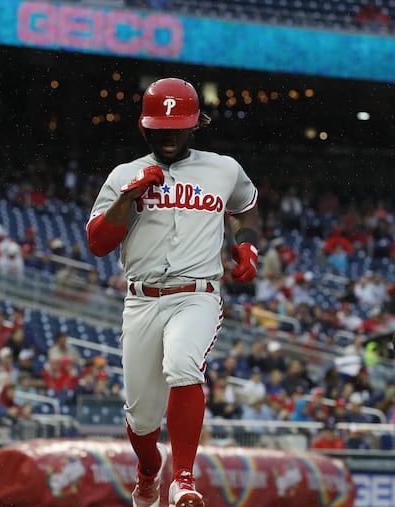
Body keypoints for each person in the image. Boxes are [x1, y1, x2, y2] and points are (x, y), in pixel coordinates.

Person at [86, 77, 260, 507]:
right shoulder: (124, 175)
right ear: (145, 128)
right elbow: (97, 243)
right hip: (141, 300)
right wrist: (128, 198)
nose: (169, 136)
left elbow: (245, 205)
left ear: (197, 123)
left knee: (184, 364)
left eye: (178, 127)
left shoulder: (223, 168)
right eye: (160, 129)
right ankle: (149, 471)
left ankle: (183, 478)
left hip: (196, 293)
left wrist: (246, 243)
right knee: (141, 418)